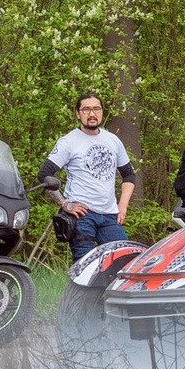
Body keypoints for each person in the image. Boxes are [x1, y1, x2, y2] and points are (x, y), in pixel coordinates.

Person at [42, 93, 139, 260]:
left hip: (110, 215)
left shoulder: (113, 140)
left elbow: (129, 175)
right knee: (84, 267)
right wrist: (65, 204)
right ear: (78, 114)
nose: (92, 114)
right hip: (82, 215)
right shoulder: (68, 141)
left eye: (96, 109)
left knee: (125, 260)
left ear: (101, 111)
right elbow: (44, 174)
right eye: (86, 109)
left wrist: (122, 205)